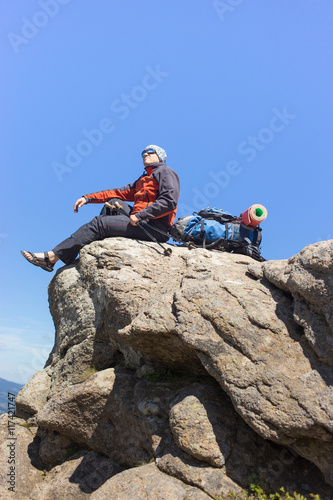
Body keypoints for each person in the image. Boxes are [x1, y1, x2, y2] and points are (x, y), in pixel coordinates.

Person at [21, 145, 180, 272]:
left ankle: (51, 258)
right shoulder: (144, 178)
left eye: (150, 152)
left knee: (99, 223)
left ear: (160, 156)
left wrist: (141, 216)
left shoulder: (165, 172)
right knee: (112, 202)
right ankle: (95, 244)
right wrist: (88, 198)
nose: (145, 154)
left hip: (154, 227)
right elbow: (118, 192)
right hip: (140, 220)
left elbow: (169, 201)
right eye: (143, 152)